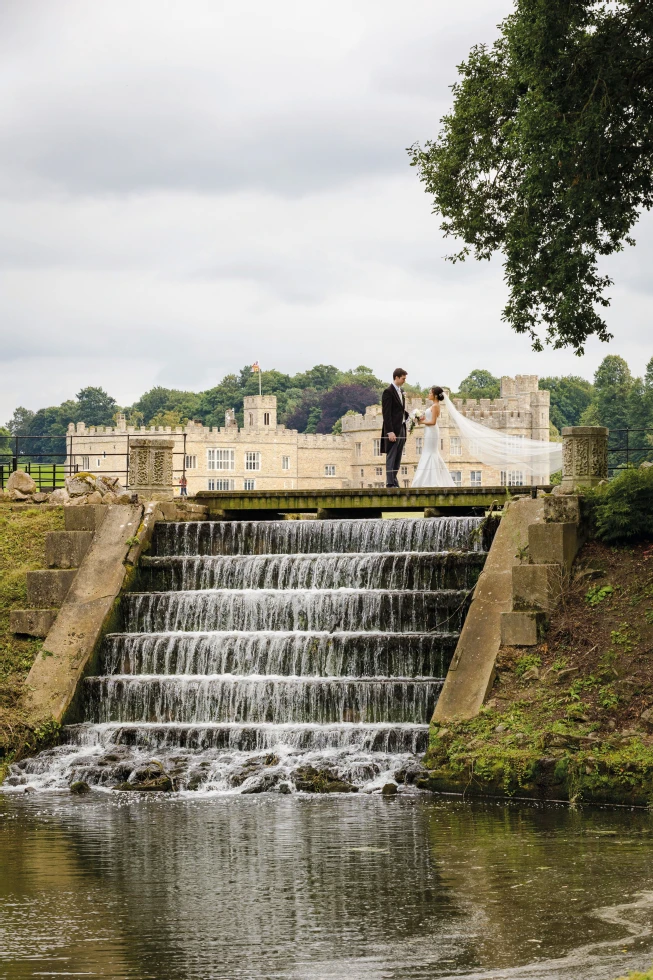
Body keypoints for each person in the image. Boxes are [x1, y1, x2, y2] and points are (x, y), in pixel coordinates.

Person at [412, 386, 455, 488]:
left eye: (430, 393)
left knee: (431, 453)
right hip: (429, 431)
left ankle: (431, 480)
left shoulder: (436, 406)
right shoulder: (433, 405)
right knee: (428, 452)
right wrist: (420, 417)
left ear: (435, 395)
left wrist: (421, 421)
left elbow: (433, 422)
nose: (429, 394)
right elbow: (429, 418)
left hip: (432, 431)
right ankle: (426, 479)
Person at [381, 368, 409, 488]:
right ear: (396, 377)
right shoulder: (388, 392)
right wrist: (390, 431)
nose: (404, 381)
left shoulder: (401, 391)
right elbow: (386, 413)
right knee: (391, 455)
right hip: (393, 430)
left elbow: (400, 410)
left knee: (398, 456)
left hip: (401, 427)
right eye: (403, 378)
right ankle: (389, 482)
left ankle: (394, 479)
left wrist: (409, 416)